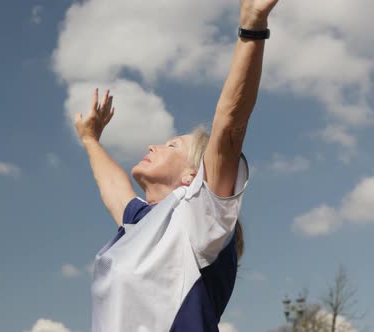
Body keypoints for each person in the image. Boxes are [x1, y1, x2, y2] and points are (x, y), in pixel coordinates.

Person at [73, 1, 279, 330]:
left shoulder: (198, 220)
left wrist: (252, 26)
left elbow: (229, 124)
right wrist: (90, 140)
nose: (153, 145)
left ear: (192, 177)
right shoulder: (139, 223)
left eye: (172, 145)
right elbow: (114, 188)